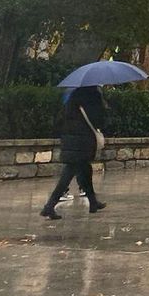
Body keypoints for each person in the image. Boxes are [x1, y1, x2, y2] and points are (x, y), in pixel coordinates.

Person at [40, 85, 106, 220]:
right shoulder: (93, 95)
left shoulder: (73, 95)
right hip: (83, 140)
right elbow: (98, 119)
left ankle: (93, 202)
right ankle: (49, 206)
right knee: (69, 172)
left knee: (85, 170)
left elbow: (61, 118)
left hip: (70, 139)